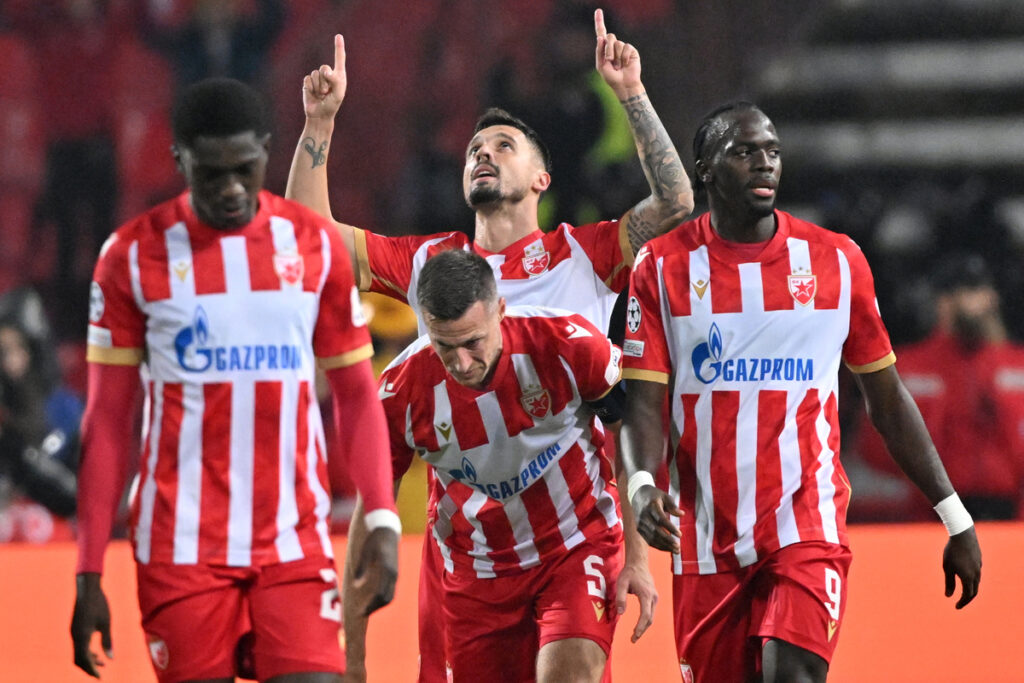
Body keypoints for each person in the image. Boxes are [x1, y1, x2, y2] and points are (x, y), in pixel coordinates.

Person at [287, 10, 694, 682]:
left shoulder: (584, 254)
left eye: (503, 145)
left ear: (541, 178)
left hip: (571, 529)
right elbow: (309, 239)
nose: (483, 152)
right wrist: (319, 125)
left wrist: (630, 91)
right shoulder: (431, 264)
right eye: (476, 147)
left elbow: (676, 203)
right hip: (467, 545)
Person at [618, 101, 982, 682]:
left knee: (792, 676)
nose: (764, 164)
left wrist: (954, 515)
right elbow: (642, 404)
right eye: (743, 153)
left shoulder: (837, 261)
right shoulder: (660, 267)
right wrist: (640, 488)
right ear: (705, 169)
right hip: (707, 537)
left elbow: (885, 399)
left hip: (806, 524)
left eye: (772, 152)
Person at [69, 77, 400, 683]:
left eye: (245, 169)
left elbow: (356, 397)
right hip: (180, 547)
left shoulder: (313, 248)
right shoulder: (130, 257)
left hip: (293, 540)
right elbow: (107, 423)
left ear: (267, 152)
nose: (230, 189)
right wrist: (88, 570)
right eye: (210, 173)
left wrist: (381, 515)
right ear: (178, 160)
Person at [381, 249, 626, 682]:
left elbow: (634, 423)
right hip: (478, 569)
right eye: (445, 346)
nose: (461, 364)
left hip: (575, 543)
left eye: (473, 342)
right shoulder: (401, 391)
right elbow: (374, 496)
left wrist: (639, 557)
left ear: (500, 310)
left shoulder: (566, 343)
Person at [855, 252, 1024, 521]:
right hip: (931, 512)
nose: (976, 301)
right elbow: (874, 443)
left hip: (1010, 511)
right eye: (966, 291)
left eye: (981, 290)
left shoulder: (1016, 364)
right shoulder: (910, 367)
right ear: (943, 300)